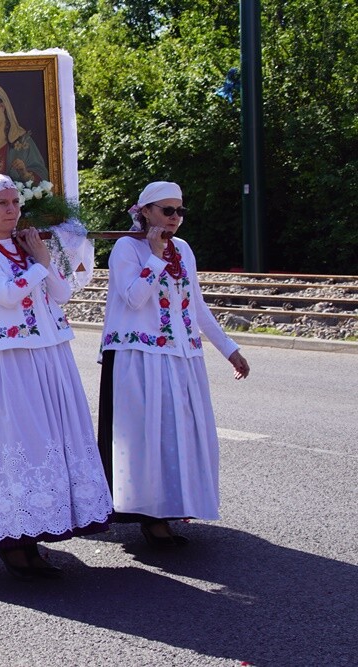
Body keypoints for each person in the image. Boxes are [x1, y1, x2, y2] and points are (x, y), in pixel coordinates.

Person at [0, 174, 112, 580]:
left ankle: (34, 533)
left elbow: (60, 294)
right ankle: (13, 541)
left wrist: (43, 259)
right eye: (2, 204)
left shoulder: (28, 248)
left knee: (46, 442)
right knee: (18, 443)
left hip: (46, 352)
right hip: (5, 359)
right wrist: (40, 266)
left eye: (15, 203)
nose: (11, 210)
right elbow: (7, 294)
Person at [97, 181, 250, 547]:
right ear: (145, 211)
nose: (175, 218)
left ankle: (169, 508)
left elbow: (196, 305)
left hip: (181, 356)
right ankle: (148, 516)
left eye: (179, 211)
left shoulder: (182, 249)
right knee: (145, 436)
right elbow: (133, 299)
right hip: (140, 357)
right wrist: (153, 254)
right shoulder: (126, 248)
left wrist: (228, 348)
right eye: (167, 211)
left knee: (177, 436)